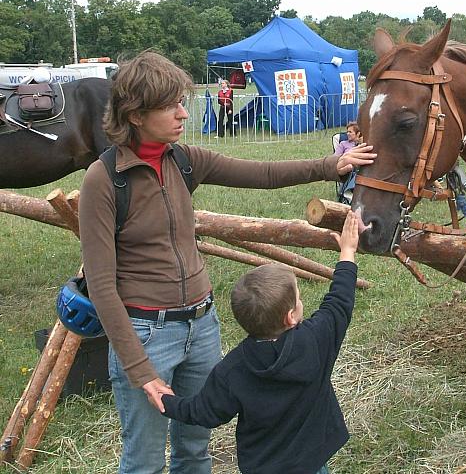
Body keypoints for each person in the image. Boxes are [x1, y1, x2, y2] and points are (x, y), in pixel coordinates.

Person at [78, 51, 375, 474]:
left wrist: (331, 164)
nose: (184, 113)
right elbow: (103, 286)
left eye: (183, 102)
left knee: (195, 451)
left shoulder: (183, 160)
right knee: (143, 461)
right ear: (136, 113)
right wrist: (140, 370)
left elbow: (263, 174)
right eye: (171, 106)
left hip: (201, 326)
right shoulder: (104, 180)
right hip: (147, 333)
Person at [152, 210, 361, 474]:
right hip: (311, 462)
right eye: (298, 297)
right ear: (291, 316)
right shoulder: (316, 340)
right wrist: (348, 253)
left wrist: (166, 401)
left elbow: (203, 412)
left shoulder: (233, 369)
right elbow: (340, 301)